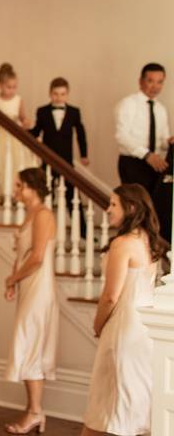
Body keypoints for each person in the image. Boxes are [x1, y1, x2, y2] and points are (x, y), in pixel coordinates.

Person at [81, 184, 167, 436]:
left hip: (122, 329)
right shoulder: (148, 240)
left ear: (130, 208)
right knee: (130, 404)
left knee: (110, 406)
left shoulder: (123, 243)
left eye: (113, 204)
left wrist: (98, 325)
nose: (107, 209)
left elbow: (110, 296)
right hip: (143, 331)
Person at [3, 168, 59, 434]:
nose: (15, 191)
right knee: (27, 344)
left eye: (19, 185)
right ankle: (34, 409)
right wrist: (13, 281)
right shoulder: (30, 214)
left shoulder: (44, 214)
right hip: (27, 287)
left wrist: (13, 278)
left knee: (31, 344)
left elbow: (36, 257)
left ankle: (35, 411)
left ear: (32, 187)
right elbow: (24, 254)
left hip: (39, 288)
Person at [30, 77, 88, 236]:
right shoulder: (42, 111)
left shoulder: (74, 112)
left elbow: (81, 135)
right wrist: (23, 130)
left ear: (67, 94)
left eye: (62, 94)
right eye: (55, 94)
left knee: (73, 197)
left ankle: (83, 233)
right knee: (43, 196)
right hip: (47, 161)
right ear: (50, 93)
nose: (59, 97)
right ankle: (40, 229)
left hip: (66, 163)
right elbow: (36, 132)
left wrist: (84, 154)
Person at [115, 62, 171, 196]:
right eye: (150, 81)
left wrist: (169, 141)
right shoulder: (128, 104)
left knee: (153, 206)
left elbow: (163, 142)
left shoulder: (161, 109)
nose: (155, 86)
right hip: (133, 163)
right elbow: (121, 136)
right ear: (141, 81)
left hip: (154, 165)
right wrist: (146, 155)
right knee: (135, 205)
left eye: (160, 82)